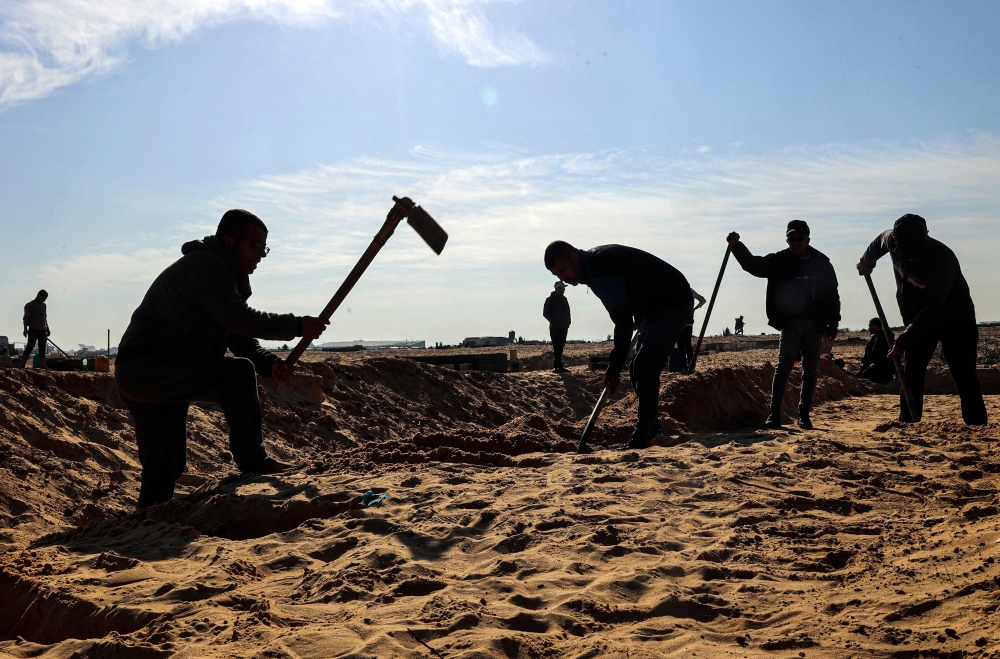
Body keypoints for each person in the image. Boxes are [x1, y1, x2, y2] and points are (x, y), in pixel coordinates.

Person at [116, 209, 329, 509]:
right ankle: (254, 462)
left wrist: (268, 364)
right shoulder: (207, 265)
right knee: (237, 373)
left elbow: (237, 337)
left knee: (165, 464)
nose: (261, 254)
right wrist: (295, 326)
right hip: (149, 366)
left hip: (148, 373)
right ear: (229, 241)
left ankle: (147, 521)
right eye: (254, 245)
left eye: (264, 247)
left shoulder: (223, 274)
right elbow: (238, 319)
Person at [544, 241, 692, 449]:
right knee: (636, 367)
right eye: (557, 275)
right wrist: (639, 315)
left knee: (645, 366)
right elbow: (635, 278)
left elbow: (622, 325)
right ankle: (651, 429)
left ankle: (643, 436)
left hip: (672, 301)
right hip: (654, 305)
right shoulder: (593, 265)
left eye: (563, 270)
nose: (563, 278)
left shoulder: (599, 271)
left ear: (574, 257)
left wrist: (613, 370)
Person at [857, 214, 987, 425]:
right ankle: (908, 422)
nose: (914, 259)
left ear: (925, 238)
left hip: (956, 319)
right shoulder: (892, 241)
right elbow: (880, 240)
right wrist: (866, 261)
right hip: (917, 319)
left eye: (917, 254)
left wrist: (901, 342)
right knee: (913, 371)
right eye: (909, 255)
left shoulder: (942, 260)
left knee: (963, 372)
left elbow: (931, 310)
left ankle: (976, 425)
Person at [727, 220, 841, 430]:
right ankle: (774, 415)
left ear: (808, 239)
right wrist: (737, 247)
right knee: (783, 369)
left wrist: (834, 321)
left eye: (799, 238)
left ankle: (804, 415)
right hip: (790, 324)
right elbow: (753, 265)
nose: (795, 242)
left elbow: (832, 292)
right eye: (791, 239)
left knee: (810, 370)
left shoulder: (821, 262)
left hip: (815, 325)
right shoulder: (779, 260)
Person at [856, 317, 896, 384]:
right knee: (858, 376)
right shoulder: (875, 337)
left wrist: (878, 364)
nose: (869, 328)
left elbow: (886, 354)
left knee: (864, 375)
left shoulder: (885, 338)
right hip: (873, 365)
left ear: (874, 326)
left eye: (870, 326)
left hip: (882, 368)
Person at [543, 281, 571, 372]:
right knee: (556, 346)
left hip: (563, 327)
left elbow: (568, 312)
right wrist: (554, 320)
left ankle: (559, 365)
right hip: (554, 327)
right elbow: (545, 313)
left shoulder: (564, 299)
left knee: (561, 345)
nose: (564, 290)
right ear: (558, 288)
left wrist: (568, 322)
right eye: (562, 288)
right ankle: (557, 366)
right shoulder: (549, 300)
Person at [677, 289, 707, 370]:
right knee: (683, 345)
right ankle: (686, 367)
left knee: (684, 345)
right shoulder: (684, 290)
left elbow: (703, 300)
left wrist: (694, 309)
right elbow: (703, 300)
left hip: (684, 321)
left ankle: (689, 366)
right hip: (681, 321)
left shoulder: (688, 291)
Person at [21, 290, 50, 369]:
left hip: (42, 330)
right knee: (30, 346)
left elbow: (44, 318)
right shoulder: (29, 305)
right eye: (44, 298)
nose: (44, 300)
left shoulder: (43, 306)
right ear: (39, 296)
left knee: (42, 348)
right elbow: (26, 318)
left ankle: (44, 366)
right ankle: (23, 365)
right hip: (33, 330)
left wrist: (47, 328)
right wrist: (25, 329)